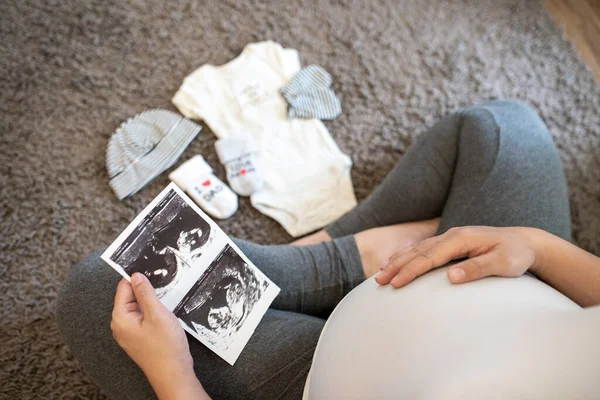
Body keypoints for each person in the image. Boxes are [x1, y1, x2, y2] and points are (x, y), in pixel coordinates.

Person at [56, 100, 600, 400]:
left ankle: (337, 260)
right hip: (514, 285)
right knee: (500, 129)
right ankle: (338, 260)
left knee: (102, 292)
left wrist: (174, 377)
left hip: (324, 376)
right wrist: (534, 247)